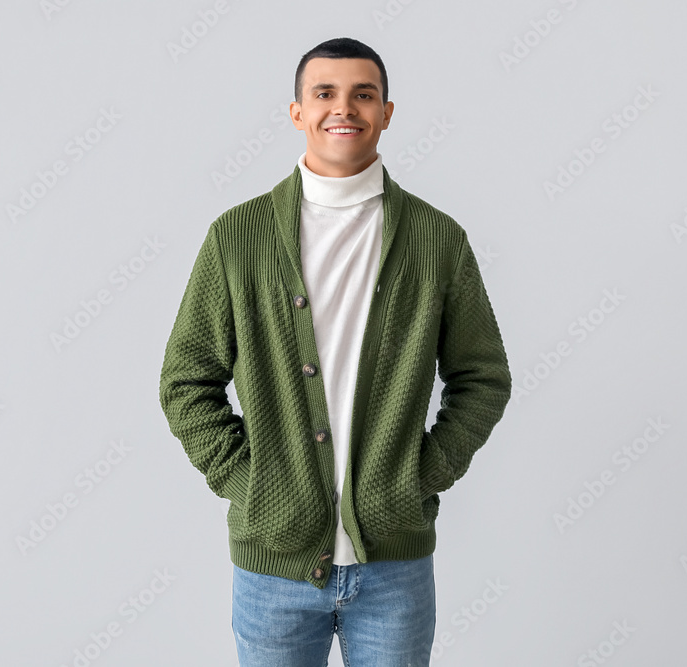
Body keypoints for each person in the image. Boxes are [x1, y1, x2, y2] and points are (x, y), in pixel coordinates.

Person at [158, 36, 511, 666]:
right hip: (274, 573)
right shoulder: (238, 237)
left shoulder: (436, 239)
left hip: (393, 573)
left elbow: (483, 376)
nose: (342, 108)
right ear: (297, 111)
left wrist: (424, 474)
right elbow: (186, 381)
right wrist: (248, 482)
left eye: (362, 94)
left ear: (386, 111)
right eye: (324, 93)